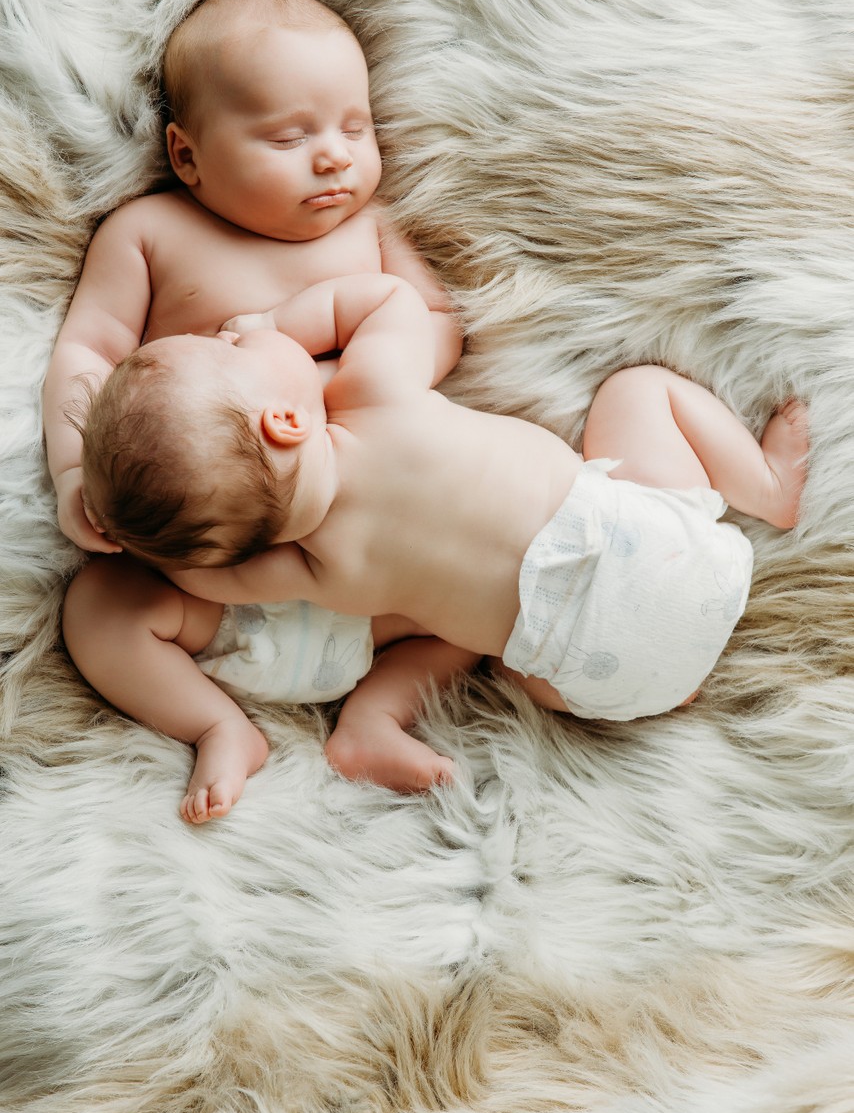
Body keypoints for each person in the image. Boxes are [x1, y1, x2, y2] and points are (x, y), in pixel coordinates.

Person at [73, 272, 809, 821]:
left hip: (607, 685)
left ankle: (661, 681)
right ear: (286, 422)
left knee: (478, 641)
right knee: (637, 391)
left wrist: (137, 533)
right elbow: (386, 301)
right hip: (667, 562)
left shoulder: (315, 572)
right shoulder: (373, 390)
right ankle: (767, 487)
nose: (231, 332)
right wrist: (275, 319)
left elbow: (202, 579)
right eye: (229, 348)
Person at [43, 0, 469, 819]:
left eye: (357, 126)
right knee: (99, 612)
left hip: (372, 579)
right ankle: (219, 727)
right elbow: (88, 350)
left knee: (482, 602)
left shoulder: (371, 231)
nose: (335, 156)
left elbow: (440, 323)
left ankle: (377, 715)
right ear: (189, 154)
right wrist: (73, 477)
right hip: (206, 583)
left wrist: (354, 380)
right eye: (290, 135)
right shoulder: (149, 233)